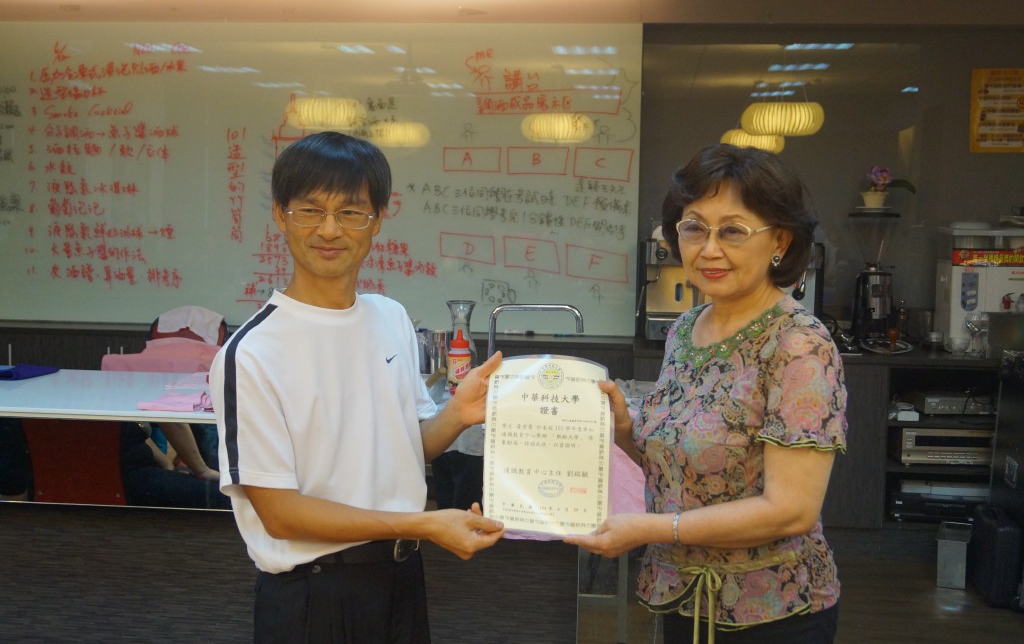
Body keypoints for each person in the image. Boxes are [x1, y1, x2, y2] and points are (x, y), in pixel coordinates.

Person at [209, 131, 505, 644]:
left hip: (400, 578)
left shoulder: (390, 318)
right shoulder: (252, 353)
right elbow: (280, 515)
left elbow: (404, 451)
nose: (329, 229)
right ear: (280, 215)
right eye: (310, 210)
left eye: (350, 212)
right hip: (314, 595)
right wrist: (424, 525)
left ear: (377, 220)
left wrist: (457, 414)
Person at [566, 143, 847, 644]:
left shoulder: (799, 345)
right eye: (694, 227)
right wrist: (627, 432)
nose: (709, 249)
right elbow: (684, 470)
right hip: (686, 598)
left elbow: (791, 510)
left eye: (733, 231)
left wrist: (650, 529)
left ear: (780, 240)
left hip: (773, 611)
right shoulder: (686, 329)